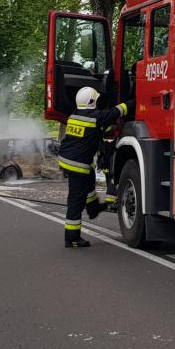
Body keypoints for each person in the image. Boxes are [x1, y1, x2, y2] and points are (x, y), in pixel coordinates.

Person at [56, 86, 128, 248]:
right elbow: (114, 113)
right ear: (92, 102)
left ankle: (93, 208)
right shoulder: (94, 118)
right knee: (76, 200)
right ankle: (72, 238)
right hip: (77, 164)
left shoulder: (75, 115)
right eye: (95, 100)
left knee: (89, 180)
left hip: (68, 159)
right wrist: (133, 103)